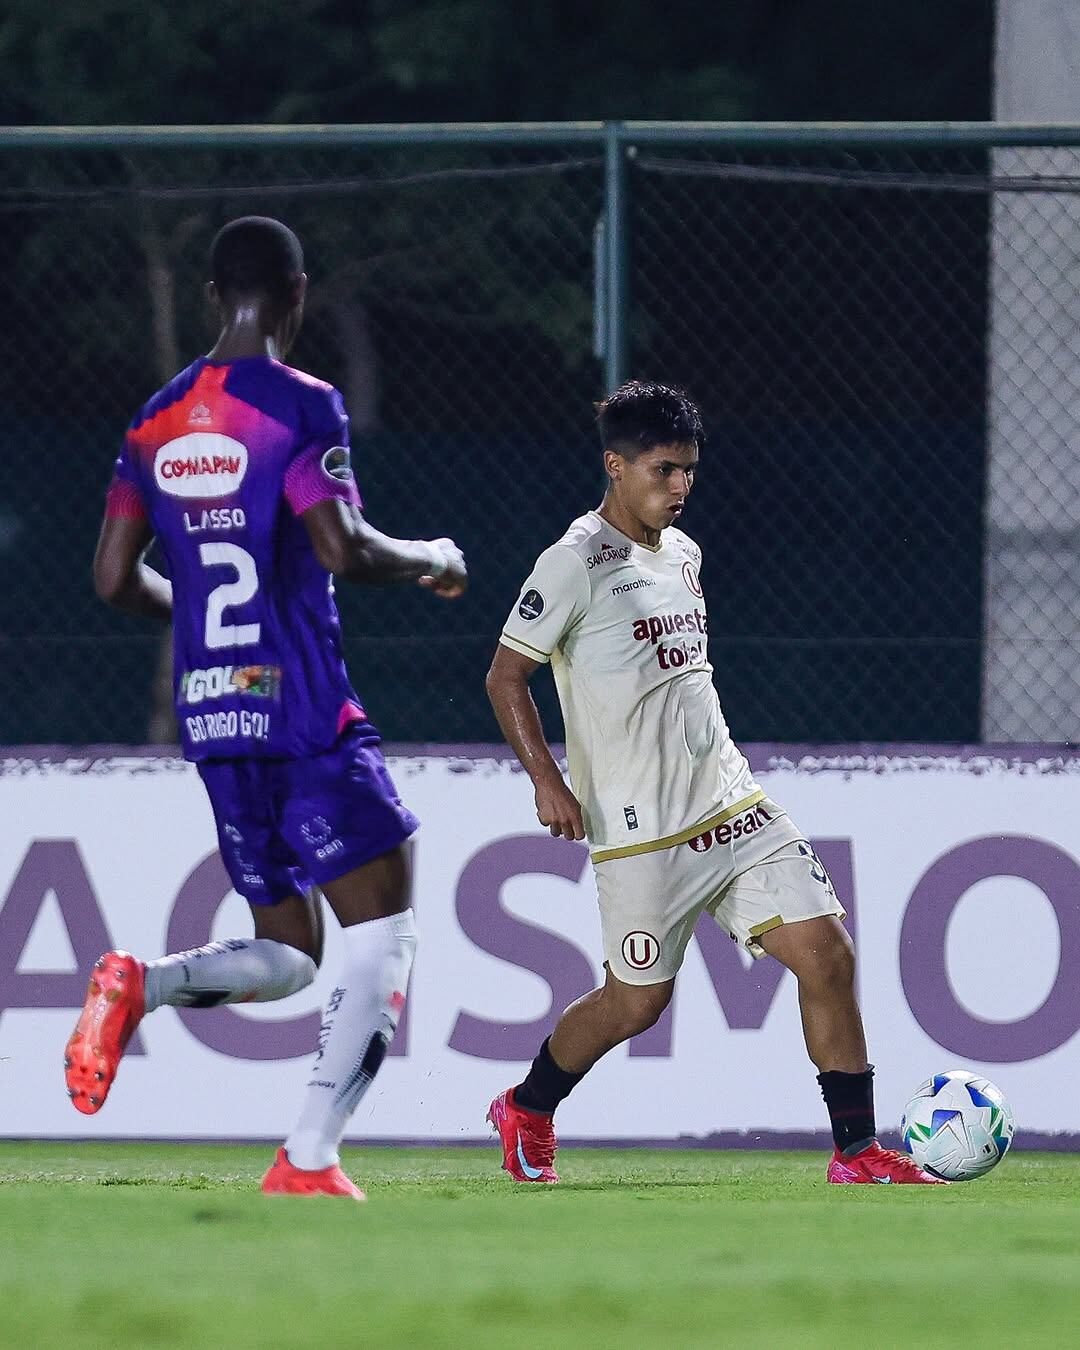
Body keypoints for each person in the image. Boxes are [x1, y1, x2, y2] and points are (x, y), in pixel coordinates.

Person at [65, 216, 467, 1200]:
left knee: (290, 953)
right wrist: (432, 561)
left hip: (215, 713)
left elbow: (115, 579)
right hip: (303, 709)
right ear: (296, 296)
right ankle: (310, 1159)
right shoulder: (301, 405)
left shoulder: (153, 422)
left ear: (212, 296)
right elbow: (341, 547)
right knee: (386, 934)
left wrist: (198, 616)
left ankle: (142, 985)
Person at [484, 380, 944, 1186]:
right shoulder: (573, 563)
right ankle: (527, 1106)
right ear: (615, 467)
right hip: (642, 829)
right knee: (635, 1006)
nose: (679, 487)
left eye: (689, 470)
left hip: (733, 804)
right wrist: (548, 783)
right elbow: (504, 677)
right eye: (663, 470)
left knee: (828, 955)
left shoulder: (685, 556)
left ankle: (858, 1152)